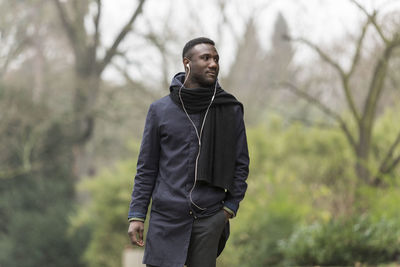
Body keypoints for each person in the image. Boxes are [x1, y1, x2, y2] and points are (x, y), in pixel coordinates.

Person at [127, 37, 249, 267]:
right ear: (187, 63)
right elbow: (146, 168)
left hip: (209, 217)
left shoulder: (229, 109)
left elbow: (241, 165)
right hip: (166, 218)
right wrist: (137, 215)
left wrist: (228, 210)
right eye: (206, 58)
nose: (213, 63)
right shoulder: (160, 110)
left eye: (216, 59)